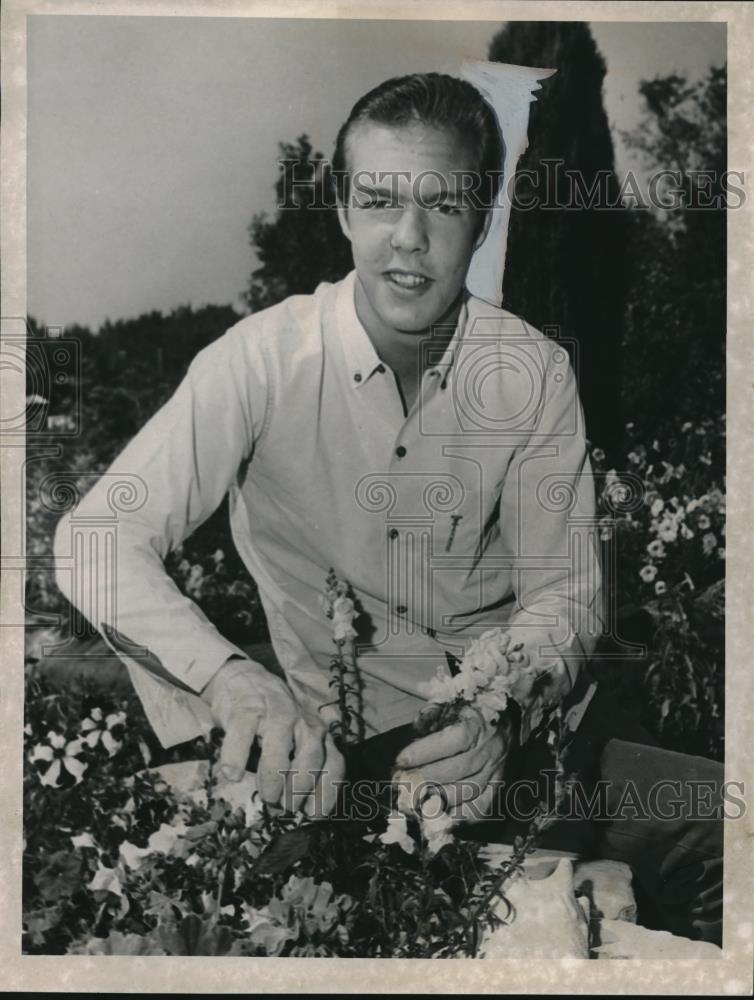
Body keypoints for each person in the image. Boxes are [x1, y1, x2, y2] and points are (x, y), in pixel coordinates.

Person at [53, 72, 722, 944]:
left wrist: (500, 713)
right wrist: (235, 682)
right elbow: (93, 540)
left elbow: (567, 595)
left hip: (534, 748)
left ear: (481, 220)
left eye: (444, 206)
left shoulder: (531, 372)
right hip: (343, 774)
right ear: (340, 207)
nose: (408, 241)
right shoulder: (258, 362)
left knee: (724, 829)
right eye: (379, 199)